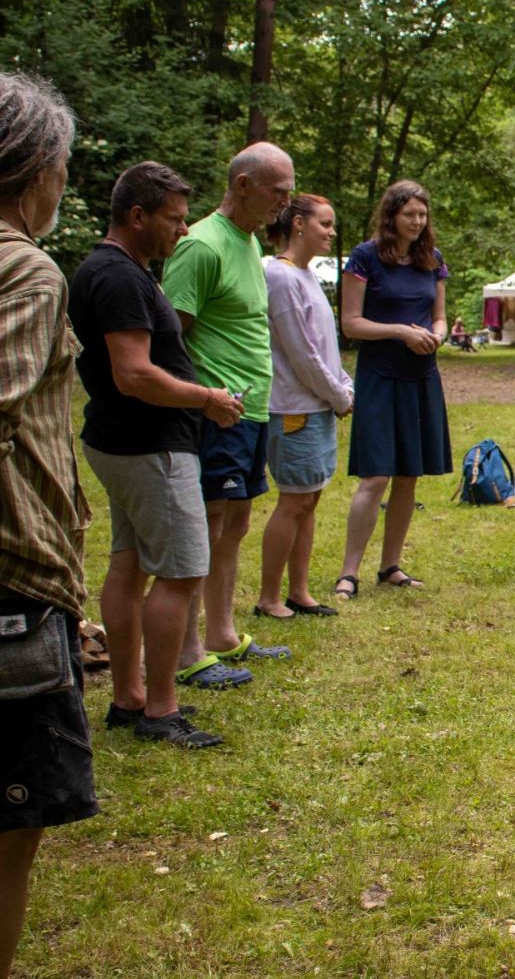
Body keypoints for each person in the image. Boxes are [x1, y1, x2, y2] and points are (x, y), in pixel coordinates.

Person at [70, 161, 246, 746]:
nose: (183, 229)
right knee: (182, 570)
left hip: (118, 442)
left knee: (129, 562)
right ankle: (161, 711)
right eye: (173, 219)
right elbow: (135, 374)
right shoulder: (119, 278)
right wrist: (208, 399)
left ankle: (130, 697)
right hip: (150, 446)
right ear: (136, 215)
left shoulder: (112, 270)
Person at [0, 70, 97, 979]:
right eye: (62, 164)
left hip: (38, 588)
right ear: (35, 169)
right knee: (11, 828)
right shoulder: (25, 268)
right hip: (10, 587)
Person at [161, 142, 295, 683]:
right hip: (216, 411)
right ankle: (189, 651)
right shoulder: (201, 245)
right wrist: (203, 398)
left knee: (235, 521)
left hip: (252, 408)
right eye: (277, 191)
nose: (284, 203)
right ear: (242, 185)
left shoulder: (248, 242)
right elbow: (171, 336)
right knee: (209, 524)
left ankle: (222, 633)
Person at [335, 180, 451, 598]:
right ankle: (349, 572)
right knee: (375, 475)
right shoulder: (365, 258)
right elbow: (350, 323)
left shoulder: (432, 260)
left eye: (422, 215)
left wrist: (436, 334)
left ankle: (391, 566)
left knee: (408, 474)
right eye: (409, 215)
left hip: (421, 376)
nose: (417, 222)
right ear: (392, 216)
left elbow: (439, 316)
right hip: (380, 375)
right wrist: (401, 331)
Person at [254, 195, 352, 620]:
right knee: (293, 501)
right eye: (324, 224)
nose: (331, 232)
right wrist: (338, 394)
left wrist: (342, 385)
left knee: (308, 499)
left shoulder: (307, 276)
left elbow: (325, 348)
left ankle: (299, 591)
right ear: (298, 224)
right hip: (295, 406)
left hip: (319, 405)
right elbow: (301, 353)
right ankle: (268, 597)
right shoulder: (279, 276)